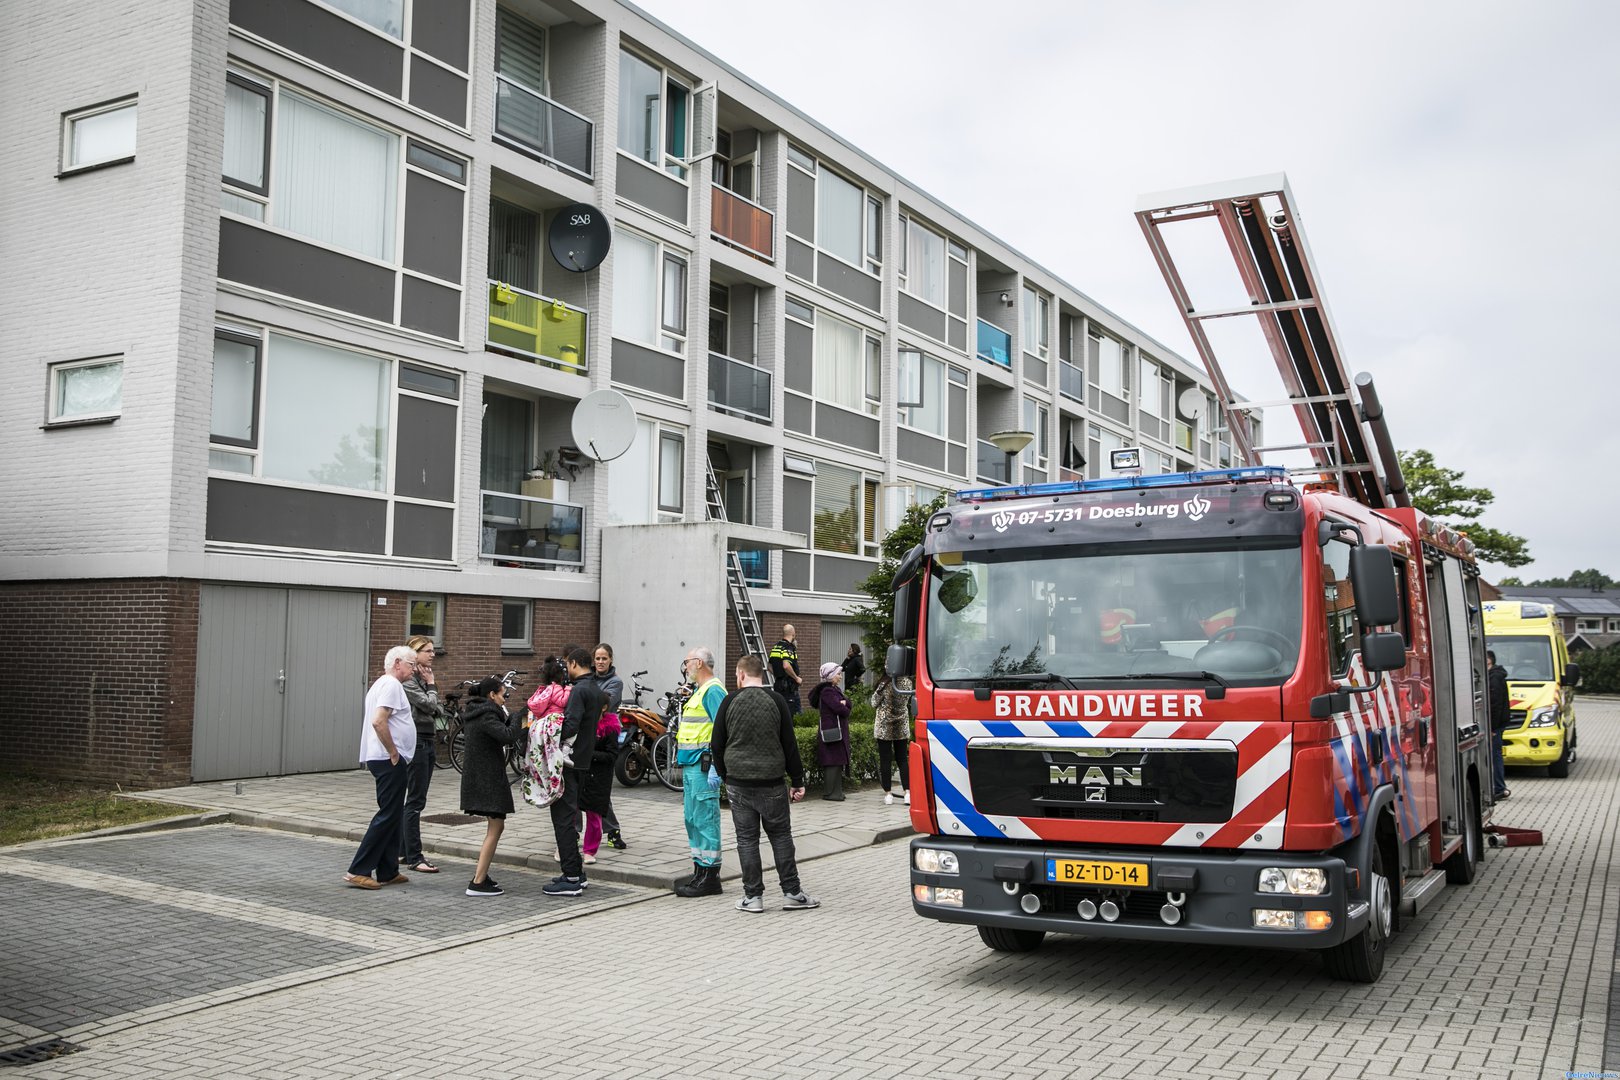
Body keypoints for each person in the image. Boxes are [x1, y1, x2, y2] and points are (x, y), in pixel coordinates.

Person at [712, 654, 819, 913]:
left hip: (739, 783)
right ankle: (792, 893)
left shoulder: (729, 701)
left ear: (740, 675)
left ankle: (753, 897)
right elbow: (789, 744)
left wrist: (727, 777)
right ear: (763, 674)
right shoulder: (777, 700)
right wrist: (797, 781)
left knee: (746, 839)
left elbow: (717, 744)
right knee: (780, 836)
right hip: (771, 782)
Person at [345, 645, 418, 890]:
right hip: (388, 760)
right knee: (387, 813)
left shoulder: (381, 684)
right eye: (411, 664)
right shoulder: (391, 685)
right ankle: (359, 869)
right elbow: (379, 721)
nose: (414, 669)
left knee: (393, 813)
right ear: (398, 663)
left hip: (384, 758)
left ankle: (388, 869)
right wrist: (393, 751)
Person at [543, 648, 604, 897]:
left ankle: (570, 877)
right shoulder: (596, 689)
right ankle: (577, 873)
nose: (566, 668)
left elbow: (570, 725)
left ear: (576, 663)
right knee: (569, 817)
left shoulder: (579, 690)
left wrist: (546, 727)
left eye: (568, 664)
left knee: (563, 820)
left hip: (568, 762)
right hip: (583, 760)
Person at [673, 646, 728, 897]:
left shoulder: (713, 690)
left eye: (687, 663)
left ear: (699, 663)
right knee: (693, 819)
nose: (685, 668)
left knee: (705, 818)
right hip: (693, 764)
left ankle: (710, 876)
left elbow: (723, 728)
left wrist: (717, 765)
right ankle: (700, 870)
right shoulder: (700, 691)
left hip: (703, 766)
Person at [460, 676, 521, 896]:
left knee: (496, 827)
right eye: (503, 695)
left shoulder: (478, 712)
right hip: (487, 780)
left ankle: (482, 875)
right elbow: (508, 736)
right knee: (495, 828)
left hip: (482, 778)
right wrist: (518, 717)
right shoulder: (486, 715)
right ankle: (477, 882)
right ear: (492, 695)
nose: (505, 699)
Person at [398, 634, 443, 874]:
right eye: (427, 650)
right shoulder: (409, 681)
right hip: (417, 743)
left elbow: (438, 708)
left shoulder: (421, 678)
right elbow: (430, 706)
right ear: (414, 654)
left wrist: (432, 694)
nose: (432, 654)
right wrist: (433, 686)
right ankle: (414, 856)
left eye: (433, 650)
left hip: (426, 740)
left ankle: (404, 851)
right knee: (415, 802)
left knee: (415, 800)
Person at [584, 643, 628, 853]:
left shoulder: (615, 682)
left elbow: (603, 705)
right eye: (597, 658)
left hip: (604, 735)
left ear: (611, 660)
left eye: (604, 658)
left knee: (598, 788)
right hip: (587, 734)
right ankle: (610, 830)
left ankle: (612, 830)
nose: (600, 662)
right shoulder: (588, 679)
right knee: (592, 788)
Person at [809, 661, 851, 802]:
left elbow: (847, 703)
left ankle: (836, 792)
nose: (840, 677)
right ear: (831, 675)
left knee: (836, 762)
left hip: (834, 731)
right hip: (833, 732)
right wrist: (844, 705)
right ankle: (831, 793)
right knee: (833, 762)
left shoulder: (833, 690)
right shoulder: (828, 691)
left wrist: (845, 703)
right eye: (838, 674)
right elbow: (841, 709)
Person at [872, 671, 911, 806]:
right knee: (902, 759)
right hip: (901, 725)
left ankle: (888, 794)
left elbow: (873, 702)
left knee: (885, 760)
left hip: (885, 727)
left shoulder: (884, 684)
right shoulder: (907, 682)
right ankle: (907, 792)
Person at [1488, 649, 1511, 800]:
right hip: (1499, 723)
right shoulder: (1496, 675)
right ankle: (1499, 787)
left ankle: (1500, 788)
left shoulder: (1494, 677)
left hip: (1496, 725)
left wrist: (1493, 728)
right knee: (1496, 755)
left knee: (1496, 756)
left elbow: (1495, 705)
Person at [769, 624, 804, 714]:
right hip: (788, 687)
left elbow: (769, 667)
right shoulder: (788, 647)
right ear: (793, 633)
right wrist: (796, 678)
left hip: (778, 685)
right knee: (791, 715)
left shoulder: (776, 647)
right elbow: (786, 665)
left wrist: (779, 674)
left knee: (780, 713)